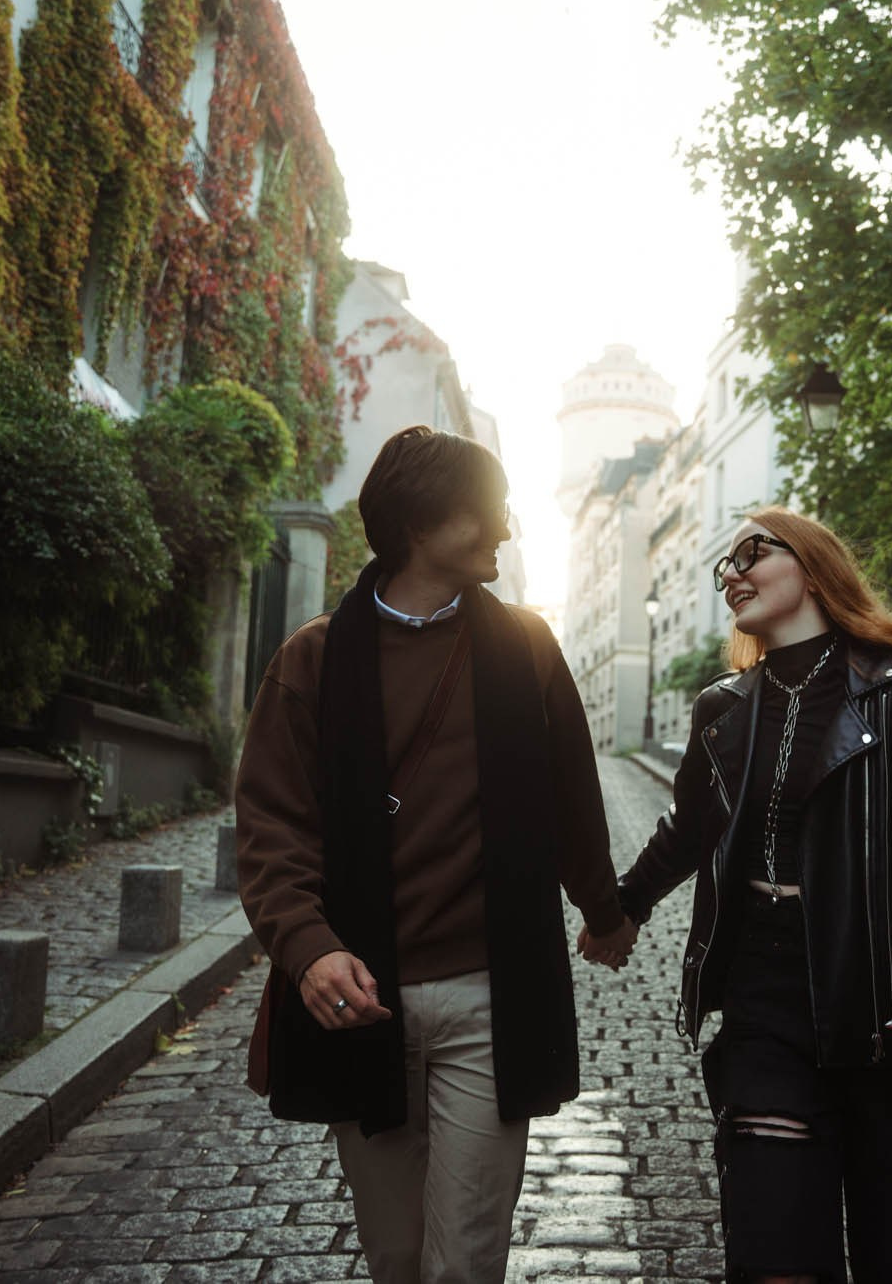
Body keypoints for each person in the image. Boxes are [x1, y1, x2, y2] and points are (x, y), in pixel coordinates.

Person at [235, 425, 639, 1283]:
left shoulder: (527, 646)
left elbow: (574, 799)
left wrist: (605, 912)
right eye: (488, 511)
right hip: (360, 1002)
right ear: (421, 524)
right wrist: (307, 949)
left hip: (491, 1002)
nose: (507, 527)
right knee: (395, 1254)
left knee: (465, 1261)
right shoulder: (310, 660)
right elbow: (271, 827)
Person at [597, 505, 892, 1283]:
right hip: (767, 1011)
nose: (732, 573)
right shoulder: (723, 709)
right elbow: (689, 828)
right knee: (776, 1258)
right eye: (723, 566)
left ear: (813, 561)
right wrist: (621, 907)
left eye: (750, 552)